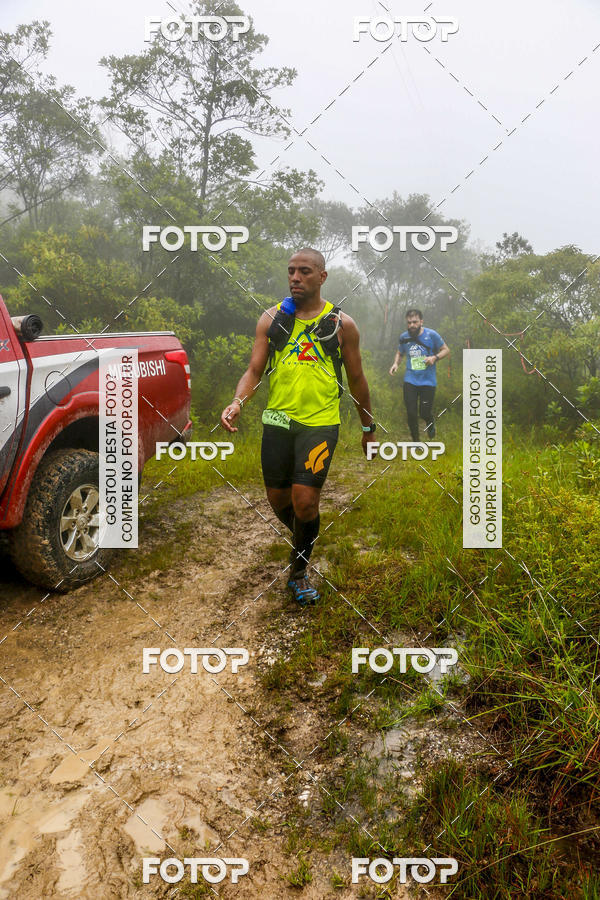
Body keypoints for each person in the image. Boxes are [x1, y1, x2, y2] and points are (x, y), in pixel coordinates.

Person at [220, 248, 374, 607]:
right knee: (278, 500)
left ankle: (299, 571)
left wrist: (368, 428)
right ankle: (307, 536)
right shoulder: (272, 319)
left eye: (304, 271)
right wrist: (238, 402)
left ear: (322, 276)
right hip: (277, 421)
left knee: (304, 501)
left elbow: (357, 379)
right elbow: (254, 371)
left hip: (320, 423)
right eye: (291, 271)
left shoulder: (342, 325)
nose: (295, 277)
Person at [389, 308, 449, 441]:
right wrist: (396, 364)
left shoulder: (432, 335)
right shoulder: (404, 337)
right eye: (409, 322)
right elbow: (400, 353)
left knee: (424, 412)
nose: (412, 325)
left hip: (428, 381)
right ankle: (416, 441)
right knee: (411, 413)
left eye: (415, 322)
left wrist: (434, 358)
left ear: (421, 321)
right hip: (410, 380)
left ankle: (430, 420)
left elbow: (446, 350)